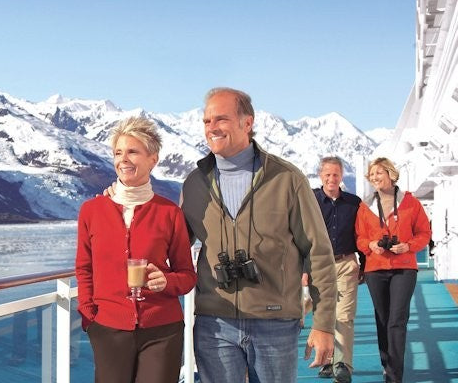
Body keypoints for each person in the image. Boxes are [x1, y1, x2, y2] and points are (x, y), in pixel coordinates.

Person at [179, 87, 337, 382]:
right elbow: (172, 244)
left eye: (221, 119)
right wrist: (124, 204)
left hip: (275, 322)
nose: (212, 127)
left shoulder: (287, 179)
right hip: (215, 322)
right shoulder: (194, 183)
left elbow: (318, 252)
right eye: (206, 121)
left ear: (247, 123)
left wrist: (325, 323)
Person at [75, 116, 197, 383]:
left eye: (133, 151)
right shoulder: (92, 211)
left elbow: (187, 274)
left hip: (163, 330)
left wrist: (167, 281)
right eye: (118, 152)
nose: (123, 159)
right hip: (108, 328)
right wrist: (89, 316)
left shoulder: (170, 213)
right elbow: (84, 268)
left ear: (153, 159)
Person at [355, 157, 432, 383]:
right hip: (375, 269)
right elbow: (359, 238)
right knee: (383, 318)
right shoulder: (365, 206)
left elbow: (424, 233)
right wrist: (370, 245)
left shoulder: (410, 202)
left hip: (404, 268)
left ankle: (395, 376)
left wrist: (408, 246)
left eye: (379, 173)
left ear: (391, 174)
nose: (375, 178)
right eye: (372, 175)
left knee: (397, 320)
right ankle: (387, 365)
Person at [312, 156, 363, 383]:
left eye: (336, 174)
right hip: (318, 265)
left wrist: (364, 264)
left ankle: (342, 365)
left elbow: (362, 234)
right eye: (328, 174)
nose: (332, 178)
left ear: (342, 176)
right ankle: (327, 359)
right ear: (321, 175)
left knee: (344, 316)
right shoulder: (310, 200)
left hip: (346, 263)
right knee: (321, 314)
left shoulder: (354, 203)